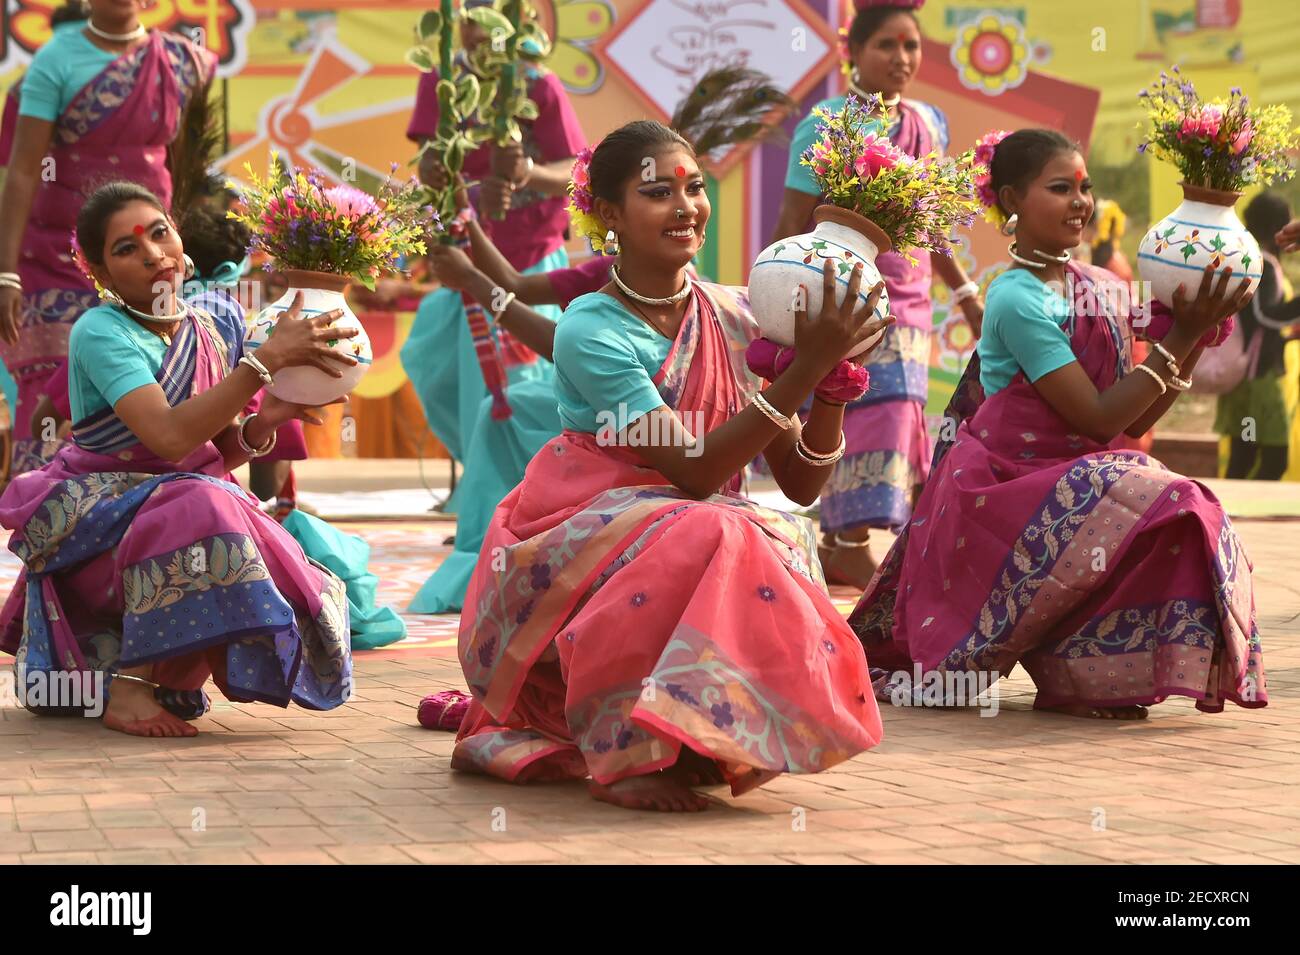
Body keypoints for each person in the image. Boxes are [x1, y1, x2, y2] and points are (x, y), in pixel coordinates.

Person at [448, 121, 891, 810]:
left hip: (691, 513)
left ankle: (694, 735)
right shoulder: (590, 327)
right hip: (579, 524)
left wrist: (833, 380)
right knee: (712, 529)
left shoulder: (738, 313)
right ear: (610, 216)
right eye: (658, 192)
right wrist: (803, 366)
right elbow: (692, 472)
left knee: (774, 534)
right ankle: (628, 751)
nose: (685, 207)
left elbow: (801, 481)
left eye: (694, 188)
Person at [849, 129, 1266, 720]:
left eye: (1085, 187)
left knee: (1180, 511)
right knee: (1165, 492)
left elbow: (1137, 415)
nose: (1080, 201)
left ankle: (1085, 675)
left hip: (1073, 473)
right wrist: (1184, 334)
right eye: (1060, 187)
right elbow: (1098, 421)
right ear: (1013, 199)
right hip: (1002, 485)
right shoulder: (1016, 298)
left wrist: (1194, 336)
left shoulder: (1101, 286)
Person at [0, 182, 359, 737]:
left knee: (265, 535)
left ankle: (167, 673)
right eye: (127, 248)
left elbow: (211, 451)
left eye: (159, 233)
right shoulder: (100, 332)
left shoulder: (208, 328)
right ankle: (123, 682)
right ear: (98, 271)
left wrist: (268, 419)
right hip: (97, 529)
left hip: (171, 516)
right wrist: (260, 367)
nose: (153, 254)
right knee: (206, 503)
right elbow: (167, 440)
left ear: (180, 238)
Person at [770, 0, 982, 588]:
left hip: (910, 301)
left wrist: (964, 291)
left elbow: (932, 223)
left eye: (911, 46)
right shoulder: (828, 121)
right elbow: (793, 217)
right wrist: (774, 299)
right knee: (854, 410)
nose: (901, 58)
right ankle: (846, 542)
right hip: (845, 298)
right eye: (886, 45)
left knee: (899, 415)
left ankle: (852, 541)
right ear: (853, 53)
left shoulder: (930, 123)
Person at [0, 0, 215, 476]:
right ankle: (47, 510)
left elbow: (183, 169)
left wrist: (184, 246)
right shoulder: (56, 61)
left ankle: (154, 506)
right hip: (57, 255)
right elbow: (20, 173)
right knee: (49, 391)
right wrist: (6, 273)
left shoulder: (183, 61)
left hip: (149, 256)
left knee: (159, 374)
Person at [400, 0, 584, 515]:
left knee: (519, 386)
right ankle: (488, 489)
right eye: (466, 14)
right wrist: (435, 172)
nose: (475, 27)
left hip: (529, 263)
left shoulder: (537, 85)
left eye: (488, 14)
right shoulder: (441, 79)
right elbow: (431, 158)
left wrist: (524, 172)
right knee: (439, 370)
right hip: (466, 258)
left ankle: (528, 500)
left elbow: (573, 170)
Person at [406, 202, 612, 614]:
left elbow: (568, 350)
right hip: (598, 408)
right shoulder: (602, 271)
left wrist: (472, 280)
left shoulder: (682, 287)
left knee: (516, 408)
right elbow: (514, 284)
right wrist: (469, 221)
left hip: (638, 427)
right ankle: (491, 550)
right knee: (503, 410)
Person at [1214, 193, 1300, 480]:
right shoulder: (1263, 264)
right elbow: (1265, 315)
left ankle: (1230, 513)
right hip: (1257, 387)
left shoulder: (1252, 260)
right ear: (1279, 227)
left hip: (1250, 384)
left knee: (1245, 451)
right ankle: (1236, 511)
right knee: (1271, 456)